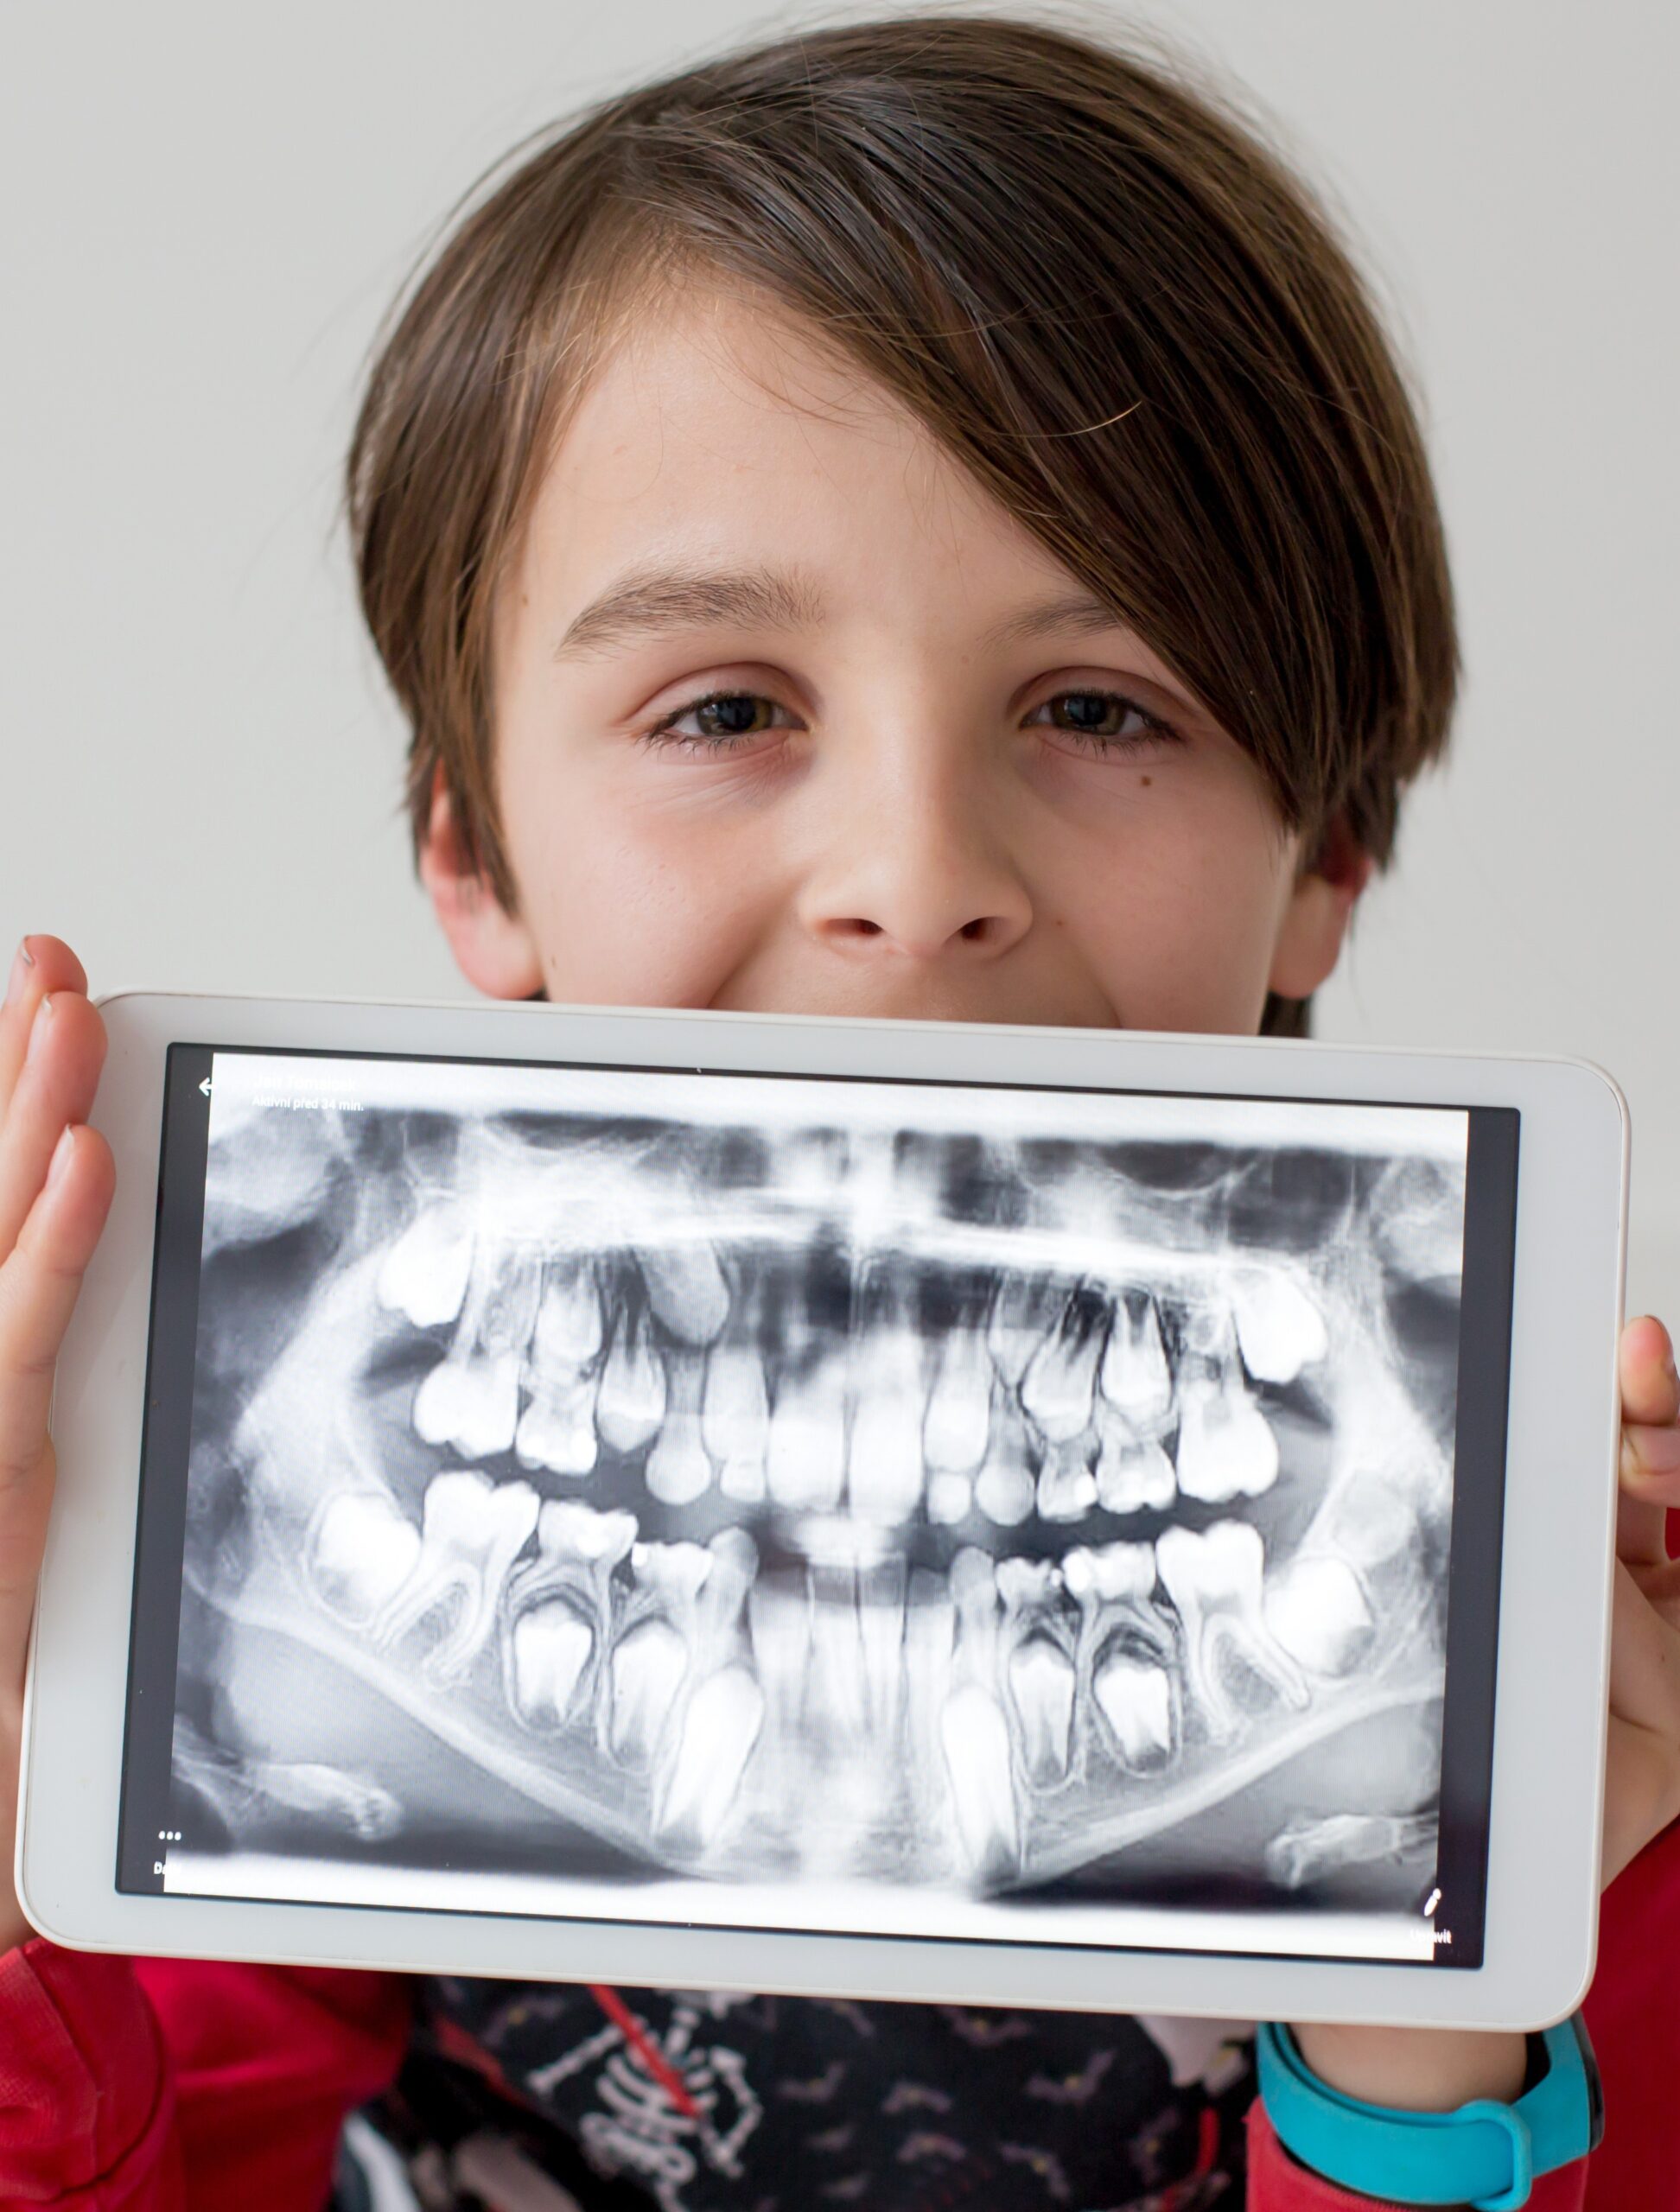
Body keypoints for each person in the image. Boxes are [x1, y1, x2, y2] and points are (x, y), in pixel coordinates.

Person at [3, 15, 1678, 2208]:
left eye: (1097, 703)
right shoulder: (270, 1583)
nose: (915, 878)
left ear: (1330, 847)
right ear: (472, 857)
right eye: (723, 706)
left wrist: (1427, 2046)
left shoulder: (1614, 1720)